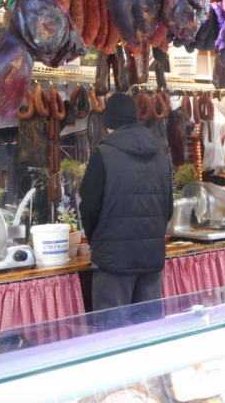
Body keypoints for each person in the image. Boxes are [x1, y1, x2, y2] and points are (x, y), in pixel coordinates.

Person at [78, 93, 174, 311]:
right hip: (151, 260)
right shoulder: (160, 156)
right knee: (149, 335)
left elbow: (89, 208)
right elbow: (167, 209)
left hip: (113, 264)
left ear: (108, 122)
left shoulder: (102, 154)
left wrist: (98, 243)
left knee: (113, 336)